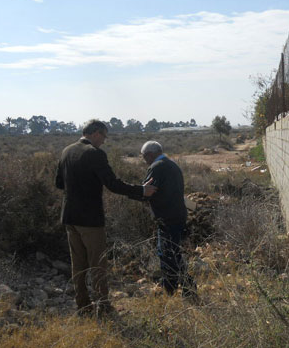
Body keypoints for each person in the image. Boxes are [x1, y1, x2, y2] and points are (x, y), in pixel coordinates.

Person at [55, 120, 156, 317]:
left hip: (69, 217)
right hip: (90, 219)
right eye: (104, 136)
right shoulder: (95, 153)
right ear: (95, 133)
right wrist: (142, 190)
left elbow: (59, 183)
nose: (104, 141)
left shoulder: (66, 151)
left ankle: (83, 306)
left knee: (78, 264)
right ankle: (103, 307)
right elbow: (113, 184)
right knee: (98, 263)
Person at [137, 140, 197, 300]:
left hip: (168, 218)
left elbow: (146, 192)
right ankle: (177, 288)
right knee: (171, 253)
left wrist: (130, 191)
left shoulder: (157, 167)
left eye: (144, 157)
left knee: (168, 254)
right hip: (177, 215)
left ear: (150, 154)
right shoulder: (171, 164)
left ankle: (179, 289)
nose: (144, 160)